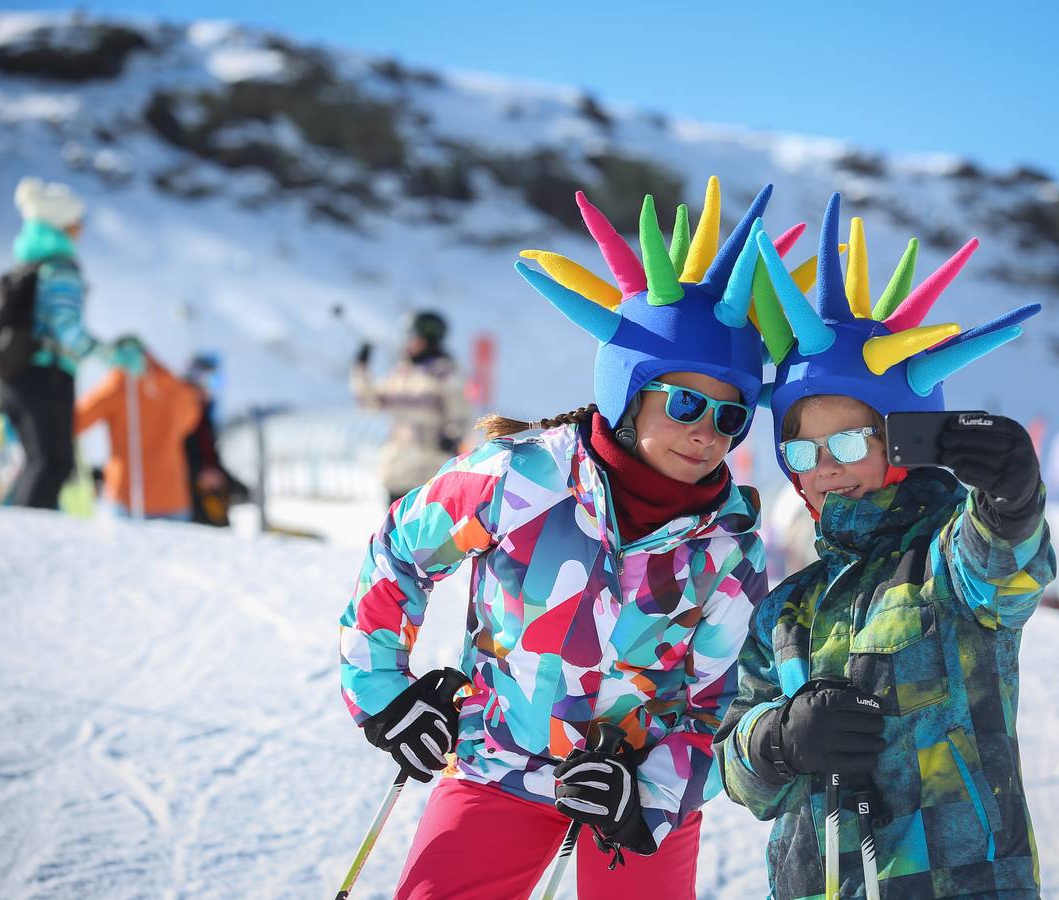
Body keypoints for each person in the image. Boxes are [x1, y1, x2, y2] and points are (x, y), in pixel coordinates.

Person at [339, 177, 799, 899]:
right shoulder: (521, 477)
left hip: (632, 802)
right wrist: (383, 691)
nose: (707, 433)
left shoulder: (726, 547)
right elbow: (401, 551)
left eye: (730, 416)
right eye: (686, 403)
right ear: (628, 391)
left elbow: (720, 701)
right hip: (498, 770)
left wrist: (648, 791)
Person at [713, 194, 1055, 899]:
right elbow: (737, 763)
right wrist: (778, 739)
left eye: (846, 443)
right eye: (801, 451)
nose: (824, 468)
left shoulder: (942, 561)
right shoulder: (786, 610)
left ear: (901, 443)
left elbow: (1002, 568)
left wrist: (1011, 501)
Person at [0, 177, 143, 510]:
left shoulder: (31, 265)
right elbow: (68, 332)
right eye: (77, 223)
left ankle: (24, 527)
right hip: (47, 377)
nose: (81, 230)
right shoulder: (60, 270)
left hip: (16, 377)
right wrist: (113, 356)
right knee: (53, 464)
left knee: (38, 461)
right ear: (61, 226)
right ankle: (28, 534)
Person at [74, 339, 202, 520]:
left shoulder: (118, 386)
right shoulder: (175, 387)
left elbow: (77, 421)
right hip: (172, 496)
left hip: (128, 494)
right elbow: (190, 422)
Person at [351, 309, 469, 506]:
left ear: (428, 340)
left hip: (429, 473)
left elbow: (461, 414)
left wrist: (452, 437)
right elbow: (370, 402)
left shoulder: (445, 374)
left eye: (412, 337)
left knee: (428, 525)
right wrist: (361, 368)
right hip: (397, 472)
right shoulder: (401, 373)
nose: (407, 343)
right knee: (395, 526)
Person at [181, 352, 247, 526]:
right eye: (212, 382)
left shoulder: (204, 419)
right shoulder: (179, 417)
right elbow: (170, 458)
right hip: (186, 508)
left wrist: (237, 486)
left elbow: (212, 460)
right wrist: (199, 474)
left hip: (208, 503)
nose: (214, 390)